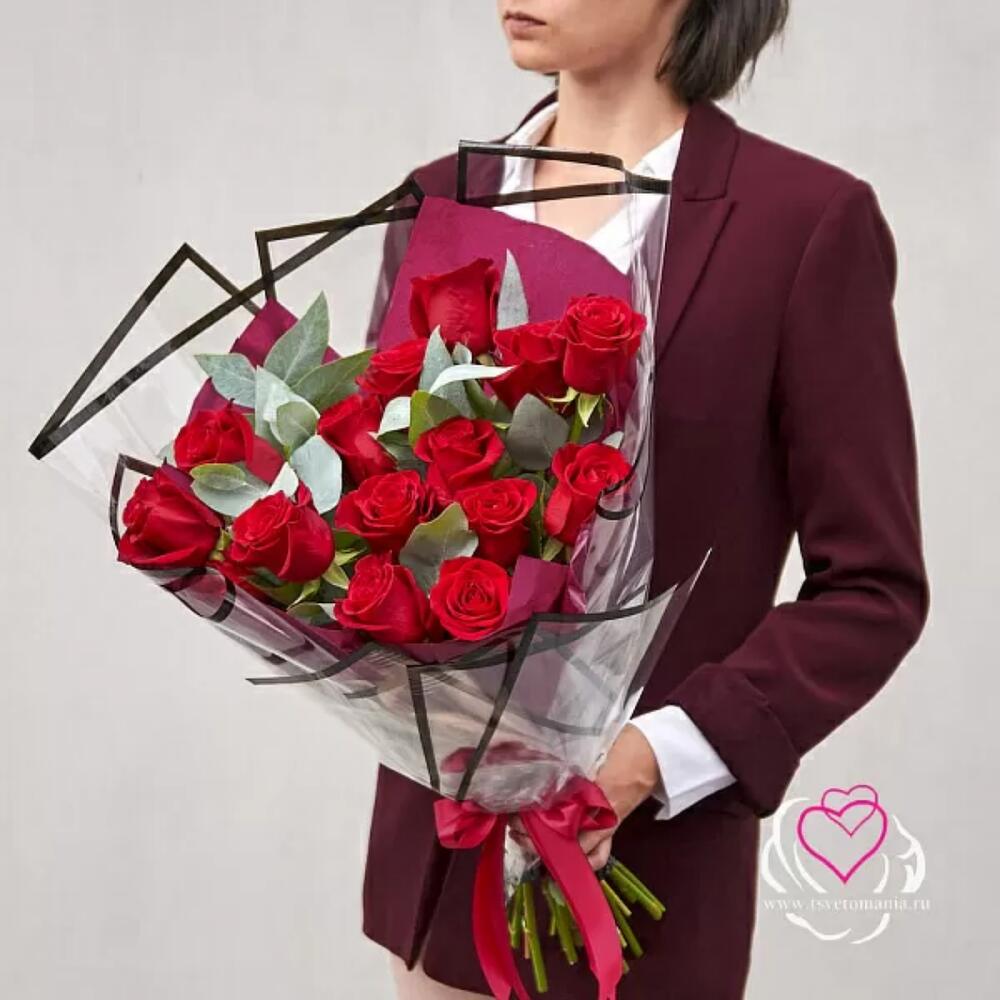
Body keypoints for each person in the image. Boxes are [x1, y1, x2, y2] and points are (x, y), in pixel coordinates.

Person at [369, 2, 930, 997]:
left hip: (647, 894)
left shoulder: (801, 225)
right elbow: (381, 501)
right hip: (441, 885)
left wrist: (650, 757)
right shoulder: (439, 201)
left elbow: (872, 588)